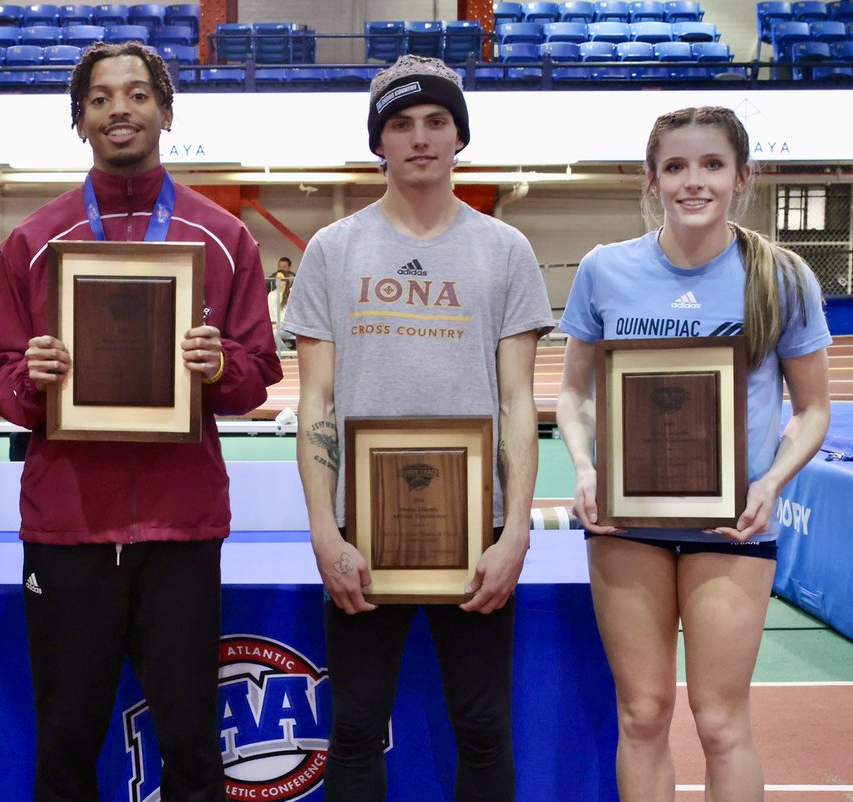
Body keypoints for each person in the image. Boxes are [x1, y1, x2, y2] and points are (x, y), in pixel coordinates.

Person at [0, 42, 282, 802]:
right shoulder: (33, 241)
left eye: (139, 94)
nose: (121, 109)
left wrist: (219, 368)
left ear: (167, 113)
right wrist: (32, 378)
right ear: (79, 120)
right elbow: (3, 385)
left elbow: (256, 381)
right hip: (69, 528)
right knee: (66, 744)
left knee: (190, 743)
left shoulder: (222, 238)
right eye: (103, 97)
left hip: (180, 527)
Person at [284, 55, 554, 802]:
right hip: (365, 534)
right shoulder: (332, 252)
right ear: (379, 142)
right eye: (400, 124)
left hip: (475, 531)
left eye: (437, 121)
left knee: (483, 727)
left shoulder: (505, 251)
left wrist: (515, 533)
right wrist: (324, 531)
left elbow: (518, 403)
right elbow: (317, 405)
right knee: (358, 727)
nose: (420, 137)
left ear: (459, 135)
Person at [556, 106, 831, 802]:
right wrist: (586, 471)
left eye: (711, 164)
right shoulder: (605, 271)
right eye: (675, 166)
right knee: (643, 715)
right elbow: (575, 395)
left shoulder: (782, 276)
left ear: (742, 176)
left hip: (732, 524)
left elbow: (815, 410)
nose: (693, 181)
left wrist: (770, 482)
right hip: (628, 525)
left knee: (719, 723)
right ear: (652, 179)